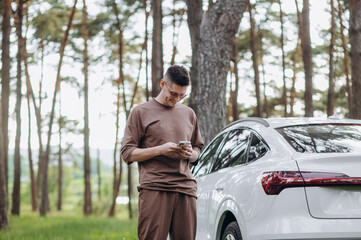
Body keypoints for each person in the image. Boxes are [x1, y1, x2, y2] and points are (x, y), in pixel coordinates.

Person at [121, 65, 204, 240]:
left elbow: (198, 150)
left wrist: (190, 154)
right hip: (154, 188)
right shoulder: (140, 112)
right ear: (162, 84)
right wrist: (160, 150)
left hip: (185, 189)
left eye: (183, 95)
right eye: (173, 94)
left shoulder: (189, 113)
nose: (177, 99)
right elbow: (127, 153)